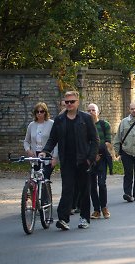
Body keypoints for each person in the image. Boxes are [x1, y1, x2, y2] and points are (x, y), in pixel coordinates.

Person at [40, 91, 99, 230]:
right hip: (67, 161)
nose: (69, 104)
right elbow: (53, 138)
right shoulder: (60, 120)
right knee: (67, 189)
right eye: (67, 102)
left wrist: (90, 159)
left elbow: (95, 140)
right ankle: (63, 219)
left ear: (77, 102)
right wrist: (45, 151)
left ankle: (84, 218)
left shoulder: (85, 118)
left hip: (83, 161)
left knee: (84, 191)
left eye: (72, 101)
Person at [87, 103, 112, 219]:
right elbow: (84, 143)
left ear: (98, 112)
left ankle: (104, 207)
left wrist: (98, 153)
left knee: (101, 183)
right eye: (89, 110)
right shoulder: (84, 126)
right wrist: (92, 155)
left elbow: (108, 142)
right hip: (90, 159)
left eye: (93, 110)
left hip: (102, 158)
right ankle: (96, 209)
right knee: (92, 186)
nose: (91, 112)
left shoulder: (104, 125)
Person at [23, 102, 58, 180]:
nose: (39, 113)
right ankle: (36, 192)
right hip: (35, 156)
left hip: (48, 155)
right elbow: (26, 141)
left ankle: (45, 192)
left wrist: (55, 157)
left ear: (45, 112)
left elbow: (56, 142)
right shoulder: (31, 125)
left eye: (41, 111)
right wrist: (28, 150)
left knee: (45, 178)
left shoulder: (51, 124)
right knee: (35, 179)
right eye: (37, 112)